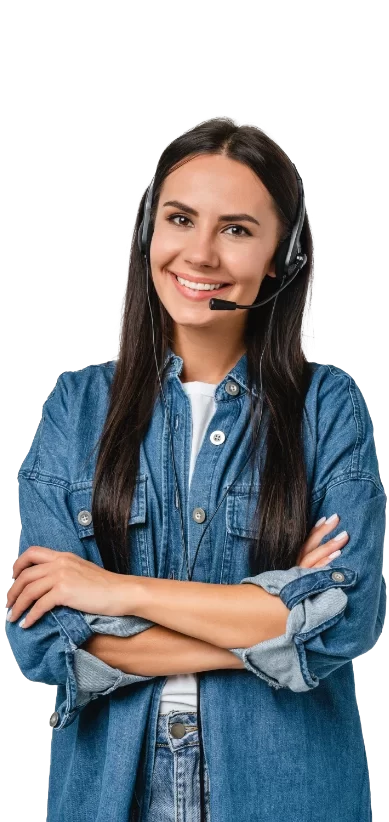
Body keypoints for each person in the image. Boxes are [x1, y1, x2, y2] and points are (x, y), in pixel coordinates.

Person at [5, 115, 386, 822]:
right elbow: (46, 642)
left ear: (280, 256)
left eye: (237, 229)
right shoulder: (76, 405)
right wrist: (271, 622)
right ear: (150, 230)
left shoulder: (326, 405)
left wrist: (113, 590)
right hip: (109, 791)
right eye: (180, 219)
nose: (201, 254)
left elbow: (346, 619)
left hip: (285, 793)